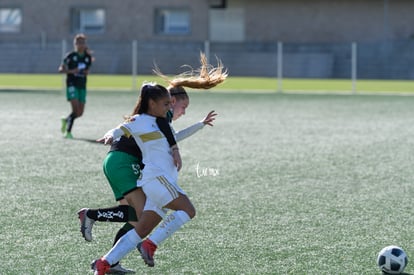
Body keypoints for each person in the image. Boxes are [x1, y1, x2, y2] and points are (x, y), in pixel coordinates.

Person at [58, 33, 93, 139]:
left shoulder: (87, 57)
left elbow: (87, 69)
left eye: (82, 42)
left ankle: (66, 119)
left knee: (80, 113)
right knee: (75, 110)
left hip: (82, 85)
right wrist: (72, 71)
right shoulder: (70, 56)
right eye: (78, 43)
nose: (80, 45)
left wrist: (86, 72)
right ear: (75, 44)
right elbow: (60, 69)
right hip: (72, 85)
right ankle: (68, 132)